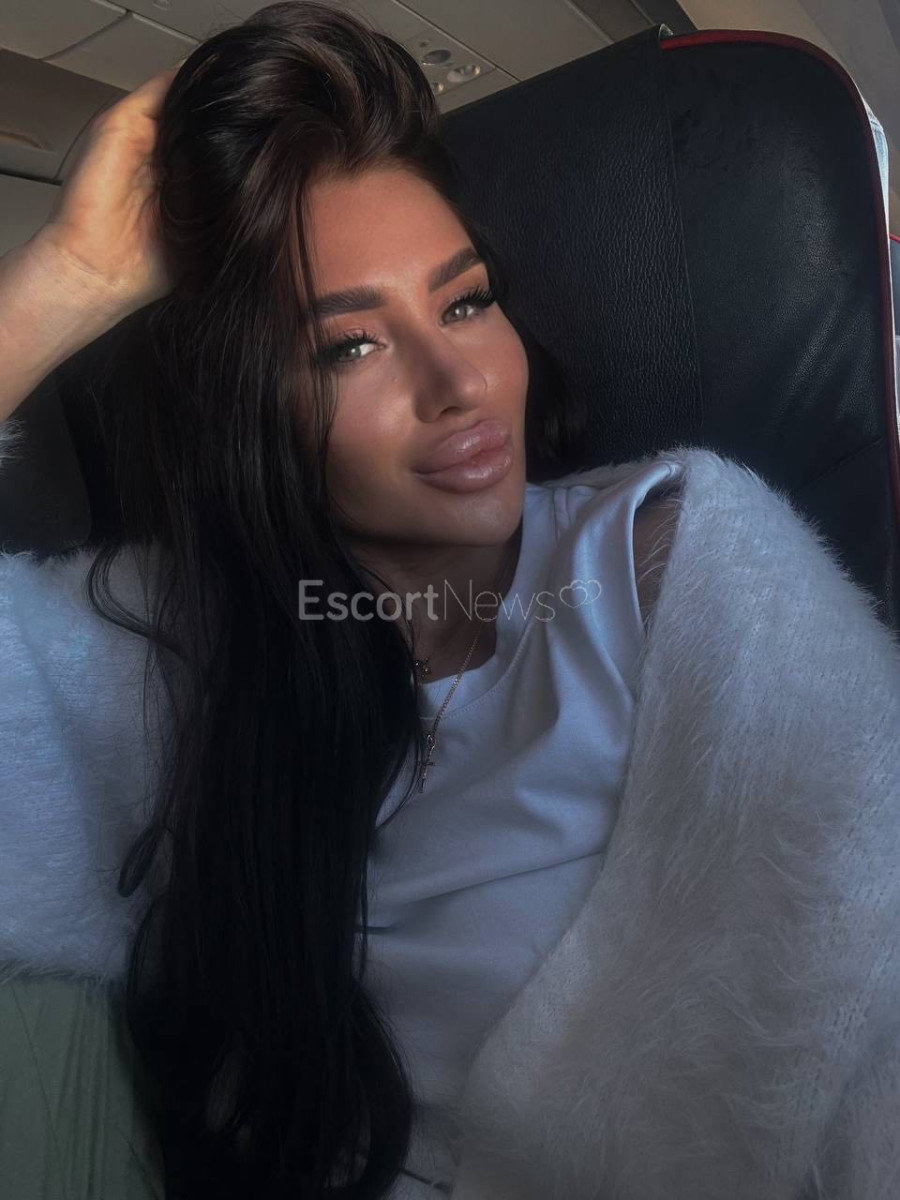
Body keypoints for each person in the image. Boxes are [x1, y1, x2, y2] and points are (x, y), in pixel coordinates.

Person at [1, 4, 899, 1199]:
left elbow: (868, 959)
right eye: (349, 349)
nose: (457, 384)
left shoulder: (681, 566)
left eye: (466, 302)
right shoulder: (180, 639)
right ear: (252, 413)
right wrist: (66, 280)